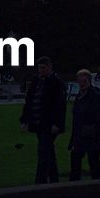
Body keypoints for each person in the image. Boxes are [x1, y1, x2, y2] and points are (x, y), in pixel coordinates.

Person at [20, 56, 65, 184]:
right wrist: (25, 120)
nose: (41, 70)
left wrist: (57, 123)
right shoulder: (37, 81)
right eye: (40, 68)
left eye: (44, 68)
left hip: (48, 123)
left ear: (50, 68)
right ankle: (53, 178)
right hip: (39, 123)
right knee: (48, 151)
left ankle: (40, 181)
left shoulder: (55, 83)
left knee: (44, 152)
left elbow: (60, 106)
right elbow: (29, 102)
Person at [68, 67, 100, 181]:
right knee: (76, 158)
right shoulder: (79, 96)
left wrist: (98, 134)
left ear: (89, 81)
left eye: (84, 81)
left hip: (92, 134)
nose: (82, 84)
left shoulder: (95, 96)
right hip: (81, 134)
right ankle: (75, 183)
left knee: (93, 161)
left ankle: (95, 184)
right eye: (80, 82)